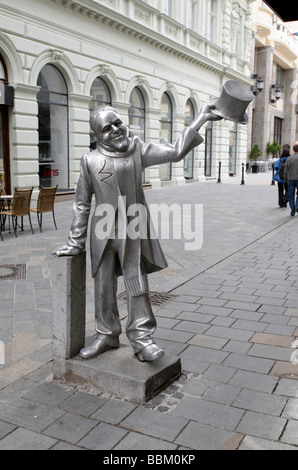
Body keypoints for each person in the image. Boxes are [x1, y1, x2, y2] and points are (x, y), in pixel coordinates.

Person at [53, 103, 222, 362]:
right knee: (103, 285)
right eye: (107, 128)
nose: (116, 130)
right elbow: (82, 203)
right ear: (96, 136)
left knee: (136, 282)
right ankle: (106, 335)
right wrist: (76, 241)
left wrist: (200, 119)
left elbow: (176, 151)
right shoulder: (90, 160)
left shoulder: (138, 150)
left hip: (132, 228)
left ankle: (141, 337)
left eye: (118, 122)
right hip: (102, 231)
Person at [284, 141, 298, 216]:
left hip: (291, 179)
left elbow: (286, 170)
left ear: (293, 150)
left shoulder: (289, 158)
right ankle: (297, 206)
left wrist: (285, 180)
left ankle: (292, 210)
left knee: (291, 194)